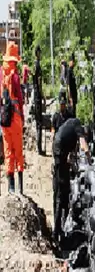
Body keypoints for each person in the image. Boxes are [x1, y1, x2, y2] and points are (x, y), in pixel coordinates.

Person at [51, 110, 89, 251]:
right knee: (61, 194)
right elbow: (84, 146)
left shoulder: (70, 127)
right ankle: (57, 233)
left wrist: (74, 164)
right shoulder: (78, 125)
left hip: (58, 150)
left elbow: (71, 157)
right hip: (59, 152)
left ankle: (59, 228)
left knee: (63, 190)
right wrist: (89, 159)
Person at [1, 43, 26, 194]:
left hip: (4, 119)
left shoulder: (1, 74)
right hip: (15, 119)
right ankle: (20, 189)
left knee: (8, 151)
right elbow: (20, 100)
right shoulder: (15, 76)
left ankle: (10, 188)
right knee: (18, 151)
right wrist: (21, 116)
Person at [31, 47, 45, 155]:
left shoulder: (33, 65)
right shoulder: (38, 65)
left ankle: (38, 147)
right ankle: (40, 149)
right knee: (40, 122)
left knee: (37, 122)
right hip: (38, 96)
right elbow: (39, 82)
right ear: (38, 53)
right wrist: (43, 95)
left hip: (34, 94)